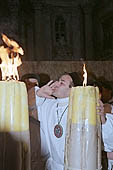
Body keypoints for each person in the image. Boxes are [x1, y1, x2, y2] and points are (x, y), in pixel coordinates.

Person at [35, 72, 82, 170]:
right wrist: (38, 93)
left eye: (62, 83)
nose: (56, 83)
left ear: (72, 90)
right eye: (58, 80)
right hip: (53, 166)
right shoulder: (48, 105)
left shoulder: (80, 107)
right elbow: (32, 106)